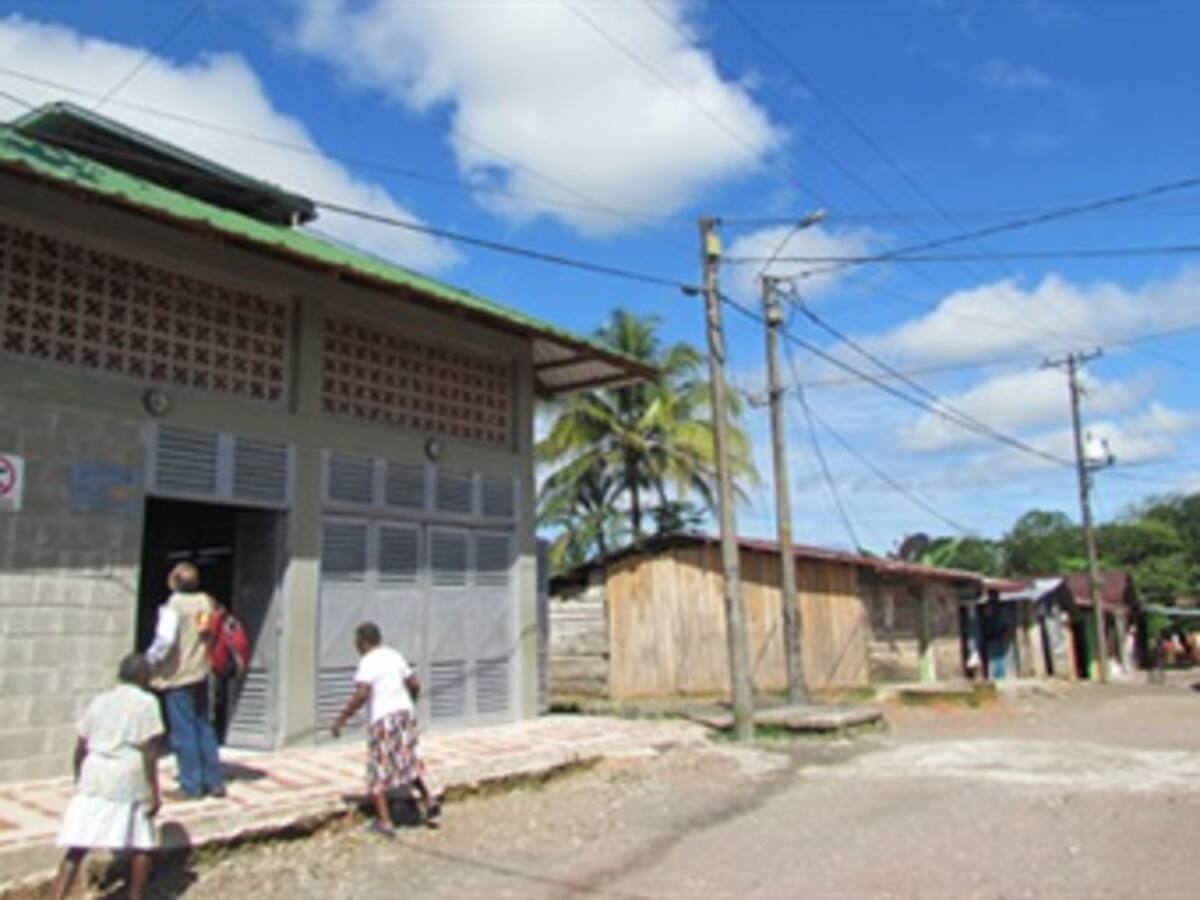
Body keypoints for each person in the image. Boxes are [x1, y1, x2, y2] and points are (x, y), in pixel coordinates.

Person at [51, 653, 163, 900]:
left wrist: (80, 777)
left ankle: (57, 896)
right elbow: (149, 751)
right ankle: (135, 896)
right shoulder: (146, 703)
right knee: (143, 841)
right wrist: (154, 790)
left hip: (95, 772)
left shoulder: (100, 700)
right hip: (126, 774)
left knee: (77, 846)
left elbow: (81, 745)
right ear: (144, 677)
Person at [331, 622, 442, 836]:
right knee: (407, 761)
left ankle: (385, 822)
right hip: (404, 715)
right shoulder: (394, 655)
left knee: (378, 770)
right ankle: (428, 800)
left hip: (383, 720)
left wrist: (341, 719)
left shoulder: (367, 662)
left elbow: (362, 694)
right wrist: (408, 706)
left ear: (362, 643)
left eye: (356, 643)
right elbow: (415, 684)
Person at [146, 561, 226, 799]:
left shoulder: (174, 606)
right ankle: (214, 781)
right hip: (201, 672)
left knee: (183, 731)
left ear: (174, 581)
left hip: (179, 675)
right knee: (204, 726)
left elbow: (165, 641)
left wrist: (149, 661)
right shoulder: (205, 603)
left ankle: (191, 785)